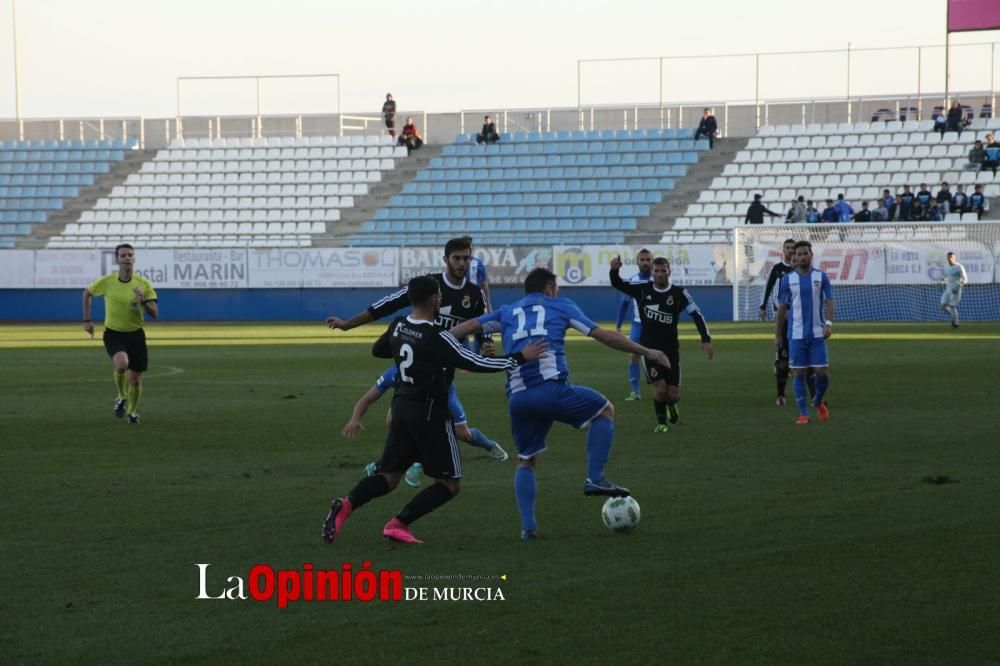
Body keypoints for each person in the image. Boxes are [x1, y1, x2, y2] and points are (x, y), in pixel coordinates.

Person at [450, 268, 672, 540]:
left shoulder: (507, 311)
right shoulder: (561, 306)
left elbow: (468, 326)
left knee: (526, 460)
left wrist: (437, 341)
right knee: (604, 410)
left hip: (518, 399)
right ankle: (595, 477)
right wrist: (647, 351)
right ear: (550, 289)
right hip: (550, 390)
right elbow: (603, 335)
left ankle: (528, 528)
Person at [321, 276, 544, 545]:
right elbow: (474, 362)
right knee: (450, 484)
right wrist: (519, 357)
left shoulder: (399, 325)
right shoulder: (436, 336)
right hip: (430, 414)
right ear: (433, 299)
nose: (441, 299)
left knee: (389, 478)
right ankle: (398, 523)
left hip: (401, 407)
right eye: (438, 296)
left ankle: (346, 504)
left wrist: (411, 355)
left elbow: (380, 350)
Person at [344, 363, 510, 488]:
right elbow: (368, 397)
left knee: (463, 434)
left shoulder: (430, 369)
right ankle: (403, 464)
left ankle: (489, 445)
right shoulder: (395, 372)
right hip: (413, 405)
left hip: (443, 397)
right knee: (395, 421)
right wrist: (355, 418)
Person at [610, 256, 713, 432]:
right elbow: (619, 284)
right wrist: (614, 270)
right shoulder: (642, 289)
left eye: (663, 270)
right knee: (660, 390)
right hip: (648, 349)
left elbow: (696, 314)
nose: (659, 274)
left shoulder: (679, 293)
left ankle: (672, 405)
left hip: (671, 350)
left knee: (673, 395)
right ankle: (661, 423)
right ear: (652, 272)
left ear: (669, 272)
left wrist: (706, 339)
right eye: (656, 271)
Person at [81, 243, 159, 425]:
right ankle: (121, 396)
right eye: (123, 255)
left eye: (130, 255)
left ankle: (132, 412)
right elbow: (87, 293)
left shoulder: (143, 284)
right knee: (122, 364)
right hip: (114, 333)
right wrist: (86, 320)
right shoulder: (107, 281)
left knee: (134, 380)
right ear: (117, 259)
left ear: (134, 258)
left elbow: (155, 313)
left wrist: (144, 301)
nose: (127, 258)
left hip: (136, 335)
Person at [774, 241, 834, 425]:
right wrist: (777, 335)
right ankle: (803, 414)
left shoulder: (821, 277)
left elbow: (829, 300)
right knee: (798, 373)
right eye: (799, 254)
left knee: (822, 372)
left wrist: (829, 324)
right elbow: (782, 308)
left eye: (805, 253)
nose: (802, 257)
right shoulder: (787, 279)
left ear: (811, 254)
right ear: (795, 257)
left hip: (817, 334)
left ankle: (817, 400)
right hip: (796, 335)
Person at [758, 238, 815, 406]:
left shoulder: (806, 272)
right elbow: (774, 293)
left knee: (809, 360)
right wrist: (776, 309)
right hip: (784, 322)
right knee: (783, 360)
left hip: (803, 323)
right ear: (784, 250)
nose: (790, 251)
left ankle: (814, 397)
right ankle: (781, 395)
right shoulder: (779, 271)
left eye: (793, 248)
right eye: (788, 248)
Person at [614, 249, 653, 401]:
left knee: (657, 356)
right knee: (634, 355)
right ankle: (635, 392)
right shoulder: (632, 281)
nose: (645, 262)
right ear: (637, 262)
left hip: (655, 326)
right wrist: (618, 327)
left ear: (652, 262)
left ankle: (656, 380)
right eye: (642, 260)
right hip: (637, 324)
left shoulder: (658, 280)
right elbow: (624, 304)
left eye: (648, 259)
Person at [940, 252, 968, 329]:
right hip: (948, 289)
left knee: (952, 306)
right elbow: (945, 277)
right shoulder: (946, 267)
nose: (950, 259)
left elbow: (965, 279)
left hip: (956, 289)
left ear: (955, 258)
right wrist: (942, 281)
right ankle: (954, 317)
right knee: (942, 305)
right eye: (948, 257)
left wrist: (961, 284)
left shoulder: (959, 267)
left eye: (951, 257)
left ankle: (956, 323)